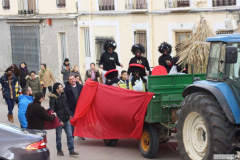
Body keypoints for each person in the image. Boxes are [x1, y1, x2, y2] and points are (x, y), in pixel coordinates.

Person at [49, 83, 79, 156]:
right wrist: (59, 121)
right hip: (59, 121)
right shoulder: (53, 99)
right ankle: (59, 150)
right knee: (59, 137)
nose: (62, 88)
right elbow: (53, 111)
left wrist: (69, 115)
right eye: (60, 87)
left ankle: (71, 150)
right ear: (57, 90)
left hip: (66, 119)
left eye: (62, 86)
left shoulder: (63, 95)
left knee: (69, 135)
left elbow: (66, 106)